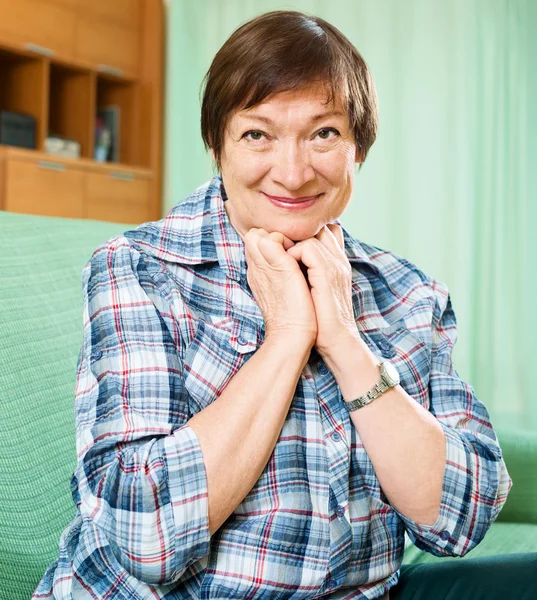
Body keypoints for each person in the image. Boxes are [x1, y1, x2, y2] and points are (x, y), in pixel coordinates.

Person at [33, 10, 535, 600]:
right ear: (218, 147)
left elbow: (460, 518)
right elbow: (148, 536)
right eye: (257, 134)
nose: (294, 174)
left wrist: (345, 342)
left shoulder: (407, 291)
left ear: (358, 151)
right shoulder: (141, 269)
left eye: (324, 133)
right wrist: (288, 337)